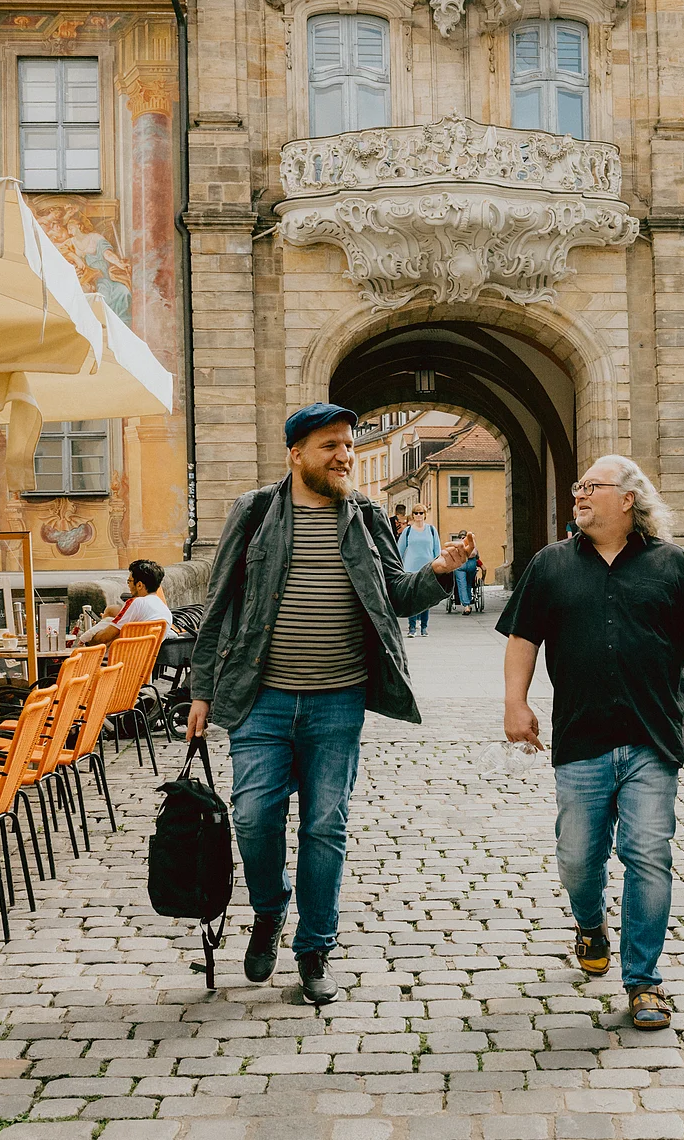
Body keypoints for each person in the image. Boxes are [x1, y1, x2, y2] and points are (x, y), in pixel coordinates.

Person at [188, 402, 473, 1004]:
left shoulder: (366, 515)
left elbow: (396, 595)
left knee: (325, 825)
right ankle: (270, 910)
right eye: (330, 446)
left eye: (348, 445)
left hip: (338, 699)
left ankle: (315, 947)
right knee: (252, 816)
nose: (345, 456)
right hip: (260, 698)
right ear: (296, 454)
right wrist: (202, 690)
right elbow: (217, 604)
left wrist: (442, 571)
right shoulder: (257, 511)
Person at [497, 455, 684, 1031]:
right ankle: (590, 921)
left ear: (628, 499)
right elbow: (523, 637)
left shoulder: (673, 566)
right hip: (581, 739)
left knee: (647, 856)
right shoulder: (551, 565)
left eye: (591, 487)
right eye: (578, 487)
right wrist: (515, 702)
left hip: (653, 739)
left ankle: (645, 982)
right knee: (579, 856)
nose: (579, 495)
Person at [80, 559, 172, 647]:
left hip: (118, 659)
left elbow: (104, 638)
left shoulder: (136, 603)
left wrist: (87, 642)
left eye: (130, 581)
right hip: (144, 661)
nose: (129, 585)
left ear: (139, 585)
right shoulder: (165, 611)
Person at [397, 505, 441, 636]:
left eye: (420, 513)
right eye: (415, 513)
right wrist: (398, 566)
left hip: (427, 568)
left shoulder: (431, 530)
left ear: (425, 514)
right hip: (410, 568)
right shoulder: (408, 531)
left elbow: (437, 550)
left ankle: (424, 627)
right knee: (412, 598)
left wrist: (437, 567)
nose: (418, 515)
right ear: (413, 515)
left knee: (425, 598)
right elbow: (400, 549)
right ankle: (411, 627)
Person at [451, 537, 483, 611]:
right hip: (472, 563)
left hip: (460, 564)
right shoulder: (472, 544)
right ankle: (469, 600)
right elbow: (477, 556)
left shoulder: (457, 543)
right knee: (469, 583)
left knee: (462, 584)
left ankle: (466, 605)